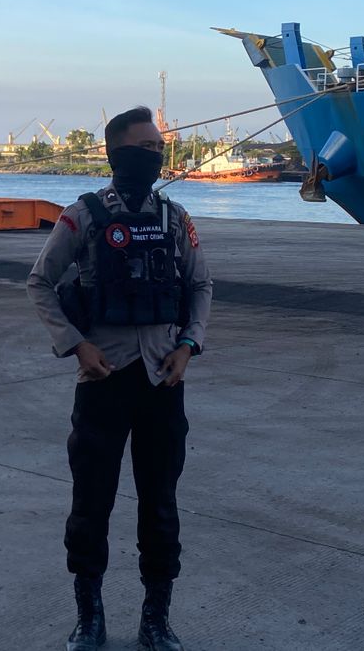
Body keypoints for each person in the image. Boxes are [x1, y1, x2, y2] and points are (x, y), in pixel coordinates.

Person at [26, 106, 213, 651]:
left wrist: (189, 345)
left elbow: (200, 286)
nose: (154, 156)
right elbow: (40, 282)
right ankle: (89, 617)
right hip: (102, 379)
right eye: (144, 148)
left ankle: (157, 619)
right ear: (116, 153)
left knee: (161, 505)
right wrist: (75, 344)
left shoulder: (175, 218)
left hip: (162, 381)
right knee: (91, 505)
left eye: (159, 149)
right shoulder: (82, 216)